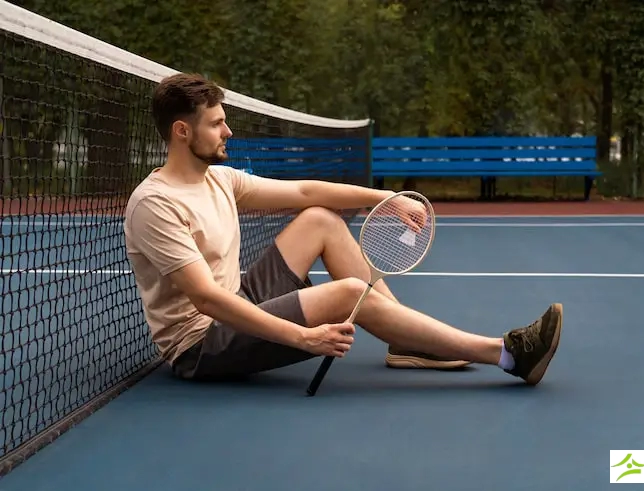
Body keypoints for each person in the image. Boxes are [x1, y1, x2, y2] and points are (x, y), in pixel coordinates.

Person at [123, 73, 563, 386]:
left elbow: (304, 192)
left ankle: (406, 341)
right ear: (183, 131)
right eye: (217, 123)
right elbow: (206, 298)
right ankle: (506, 354)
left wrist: (386, 201)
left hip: (237, 303)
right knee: (351, 291)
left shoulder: (217, 178)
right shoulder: (156, 205)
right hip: (203, 343)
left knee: (319, 219)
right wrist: (303, 336)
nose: (228, 130)